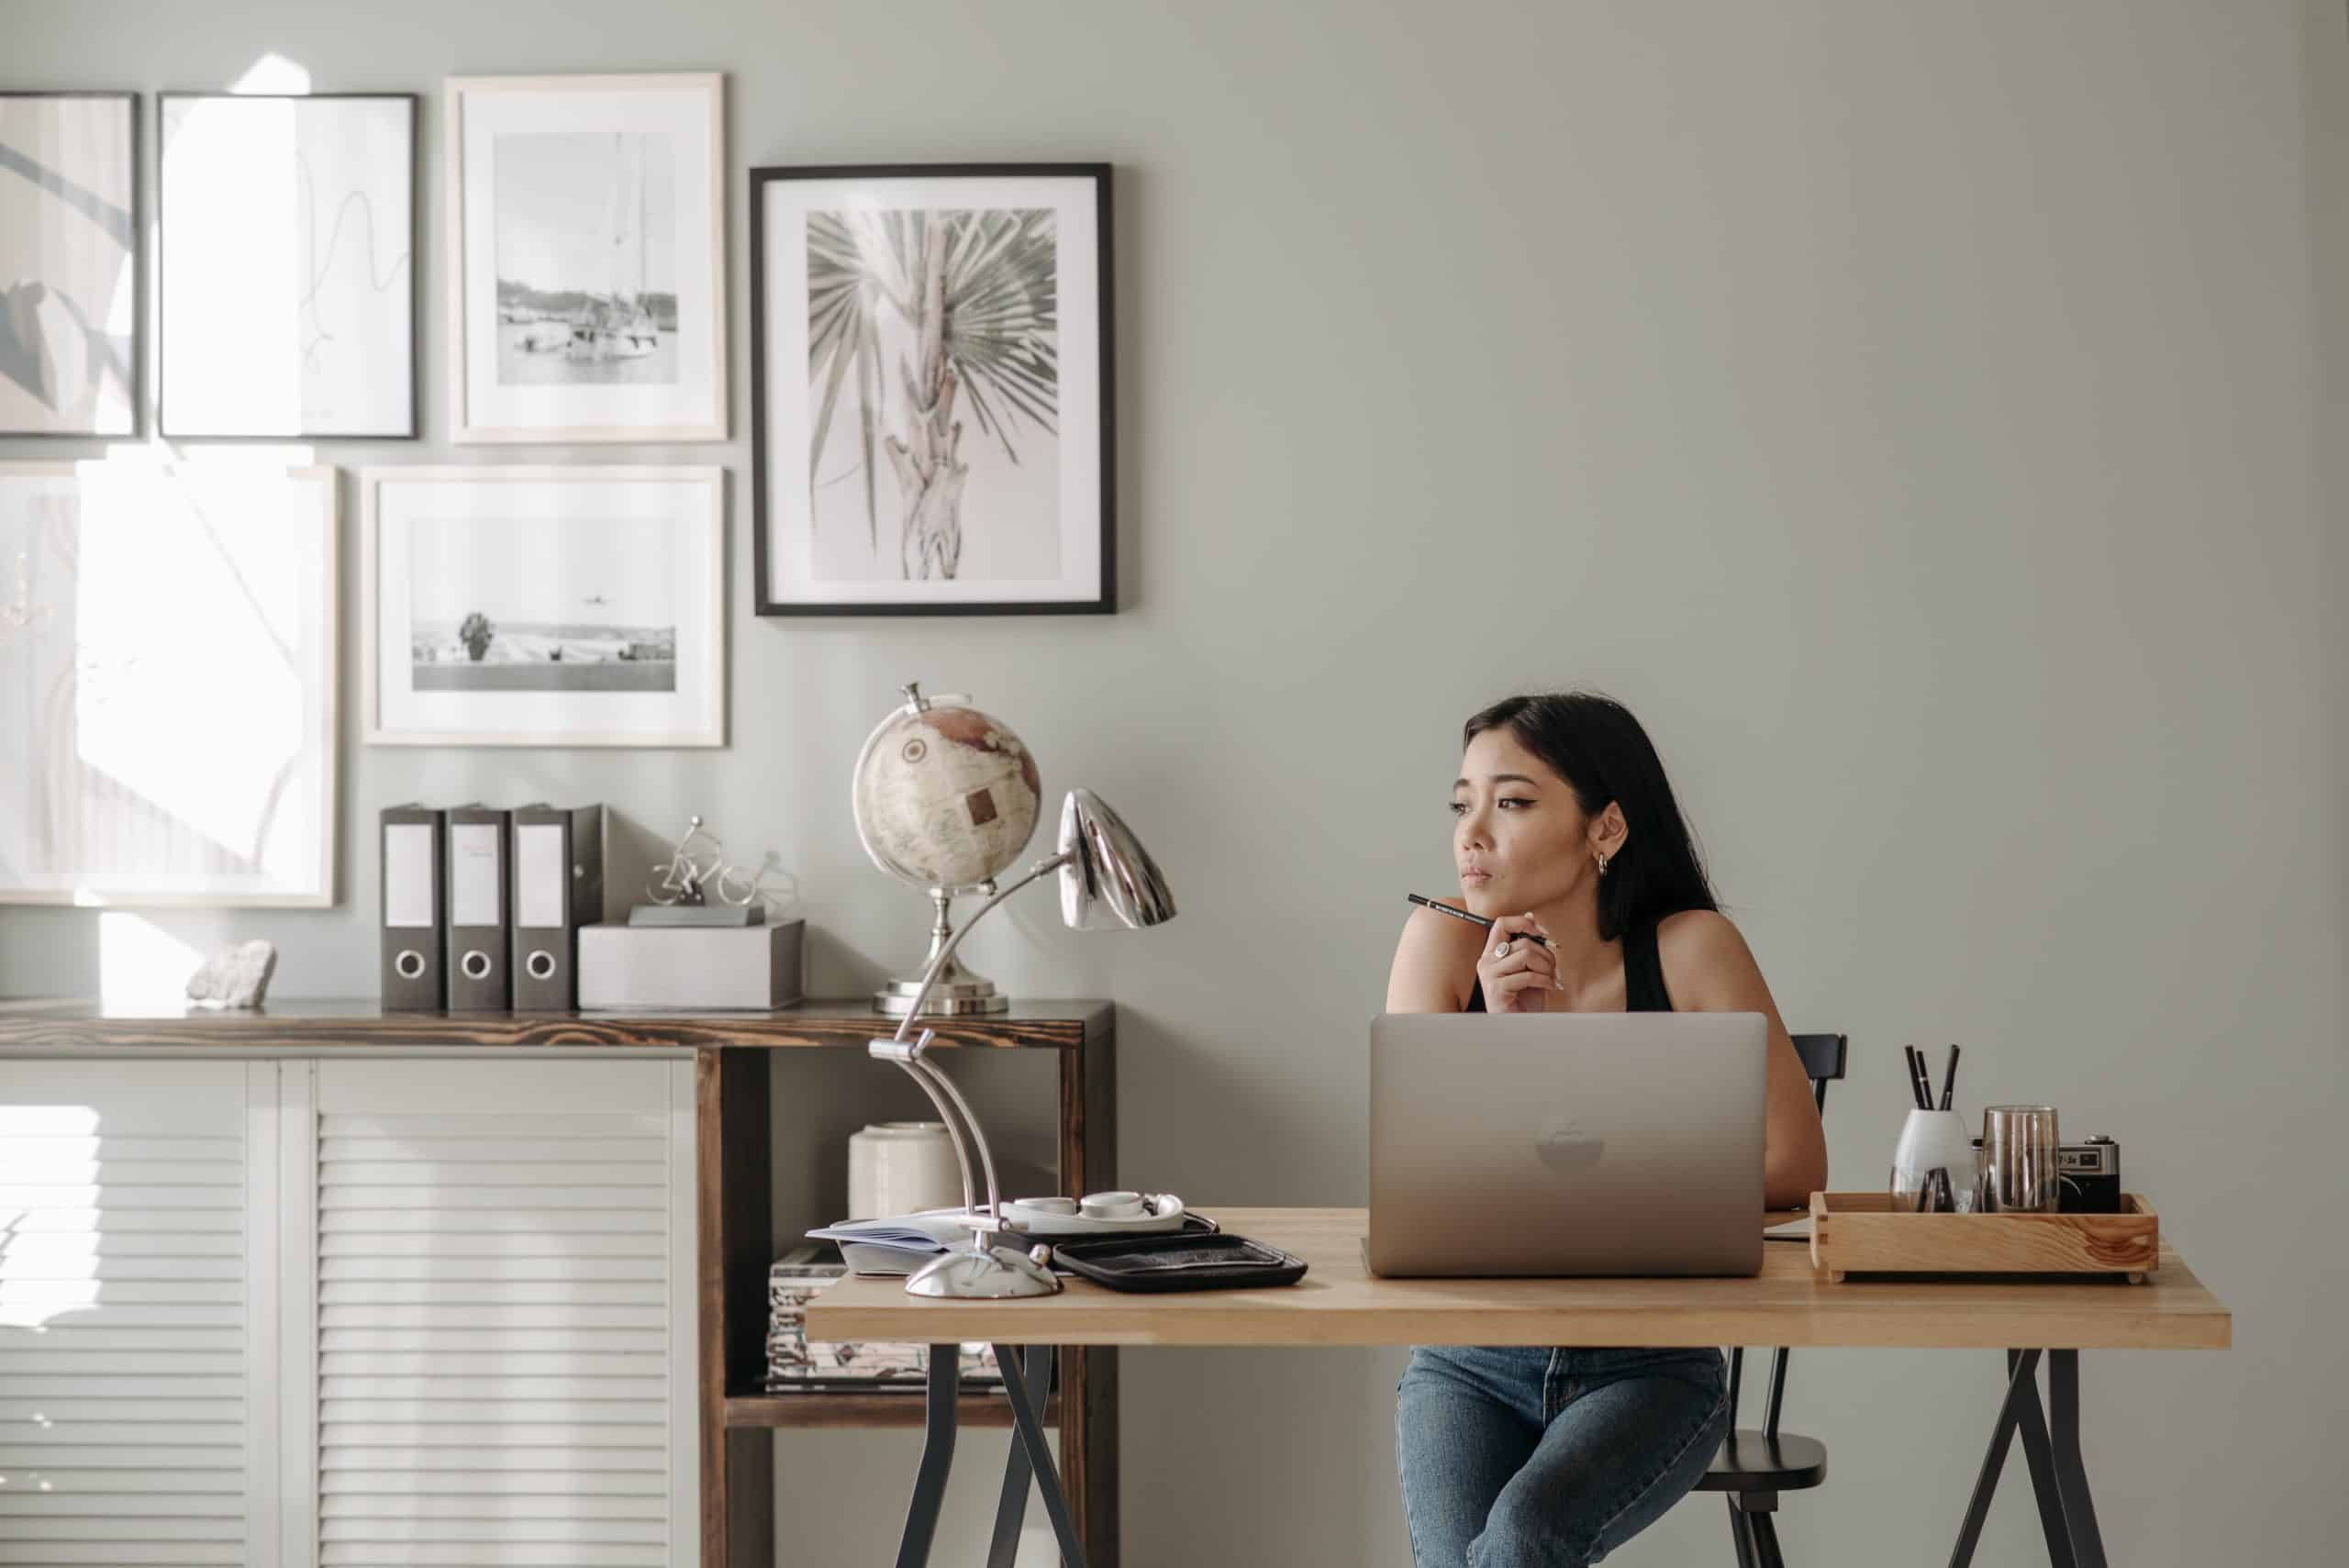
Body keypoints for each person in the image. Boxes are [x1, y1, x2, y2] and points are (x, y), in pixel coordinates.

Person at [1386, 690, 1828, 1567]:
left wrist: (1563, 1074)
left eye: (1510, 801)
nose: (1472, 832)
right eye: (1461, 802)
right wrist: (1510, 1048)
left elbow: (1794, 1161)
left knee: (1519, 1542)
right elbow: (1417, 1181)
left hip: (1651, 1363)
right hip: (1470, 1359)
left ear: (1607, 829)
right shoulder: (1440, 941)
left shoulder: (1692, 949)